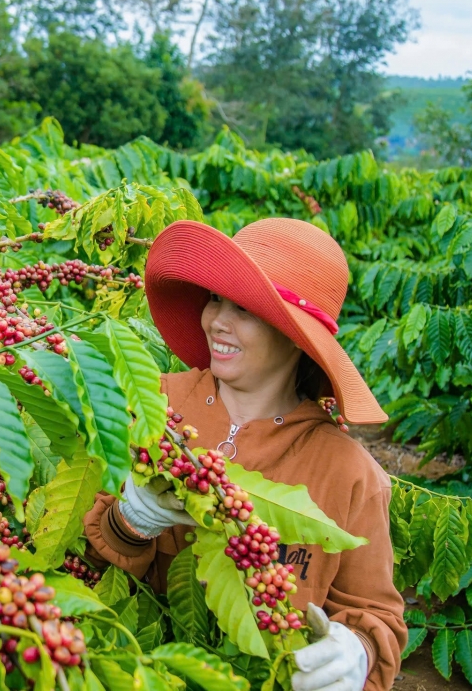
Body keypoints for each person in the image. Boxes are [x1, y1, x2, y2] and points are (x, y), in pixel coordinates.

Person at [83, 218, 407, 691]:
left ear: (295, 335)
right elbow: (72, 566)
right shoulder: (149, 405)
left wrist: (357, 651)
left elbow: (375, 613)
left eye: (245, 309)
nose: (217, 321)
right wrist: (127, 521)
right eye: (215, 299)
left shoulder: (348, 474)